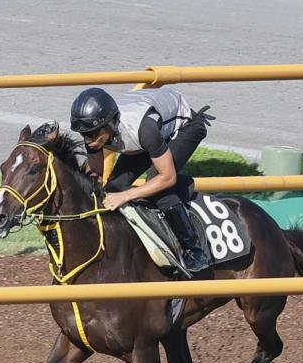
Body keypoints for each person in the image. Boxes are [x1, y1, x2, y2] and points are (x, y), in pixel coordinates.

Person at [68, 86, 215, 273]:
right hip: (147, 133)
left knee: (158, 186)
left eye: (92, 133)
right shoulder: (96, 131)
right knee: (114, 187)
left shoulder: (144, 130)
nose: (88, 140)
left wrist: (127, 196)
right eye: (84, 134)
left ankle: (195, 250)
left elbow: (167, 177)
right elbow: (95, 174)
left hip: (183, 128)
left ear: (111, 123)